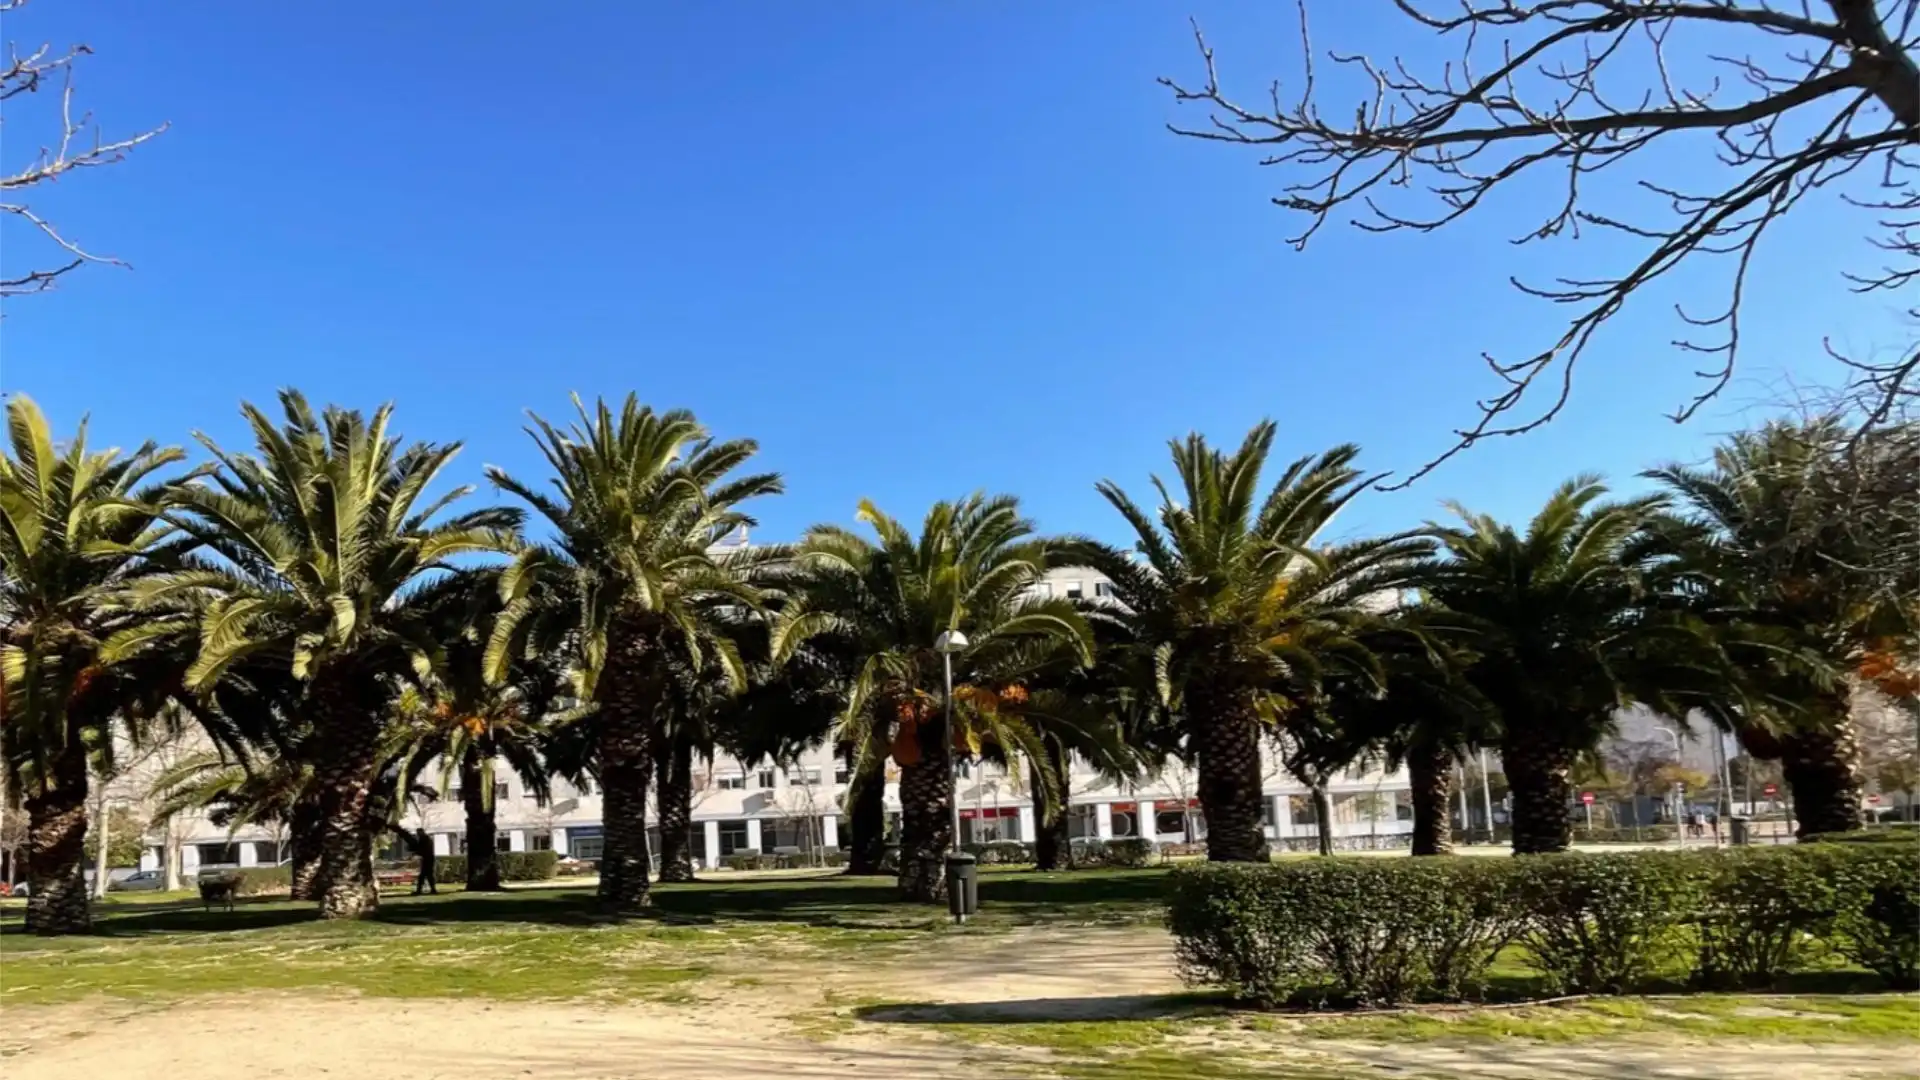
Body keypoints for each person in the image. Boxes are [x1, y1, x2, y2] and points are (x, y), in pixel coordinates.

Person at [410, 827, 437, 895]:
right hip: (428, 858)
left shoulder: (424, 839)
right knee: (428, 875)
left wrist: (415, 853)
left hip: (428, 859)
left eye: (418, 833)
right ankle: (432, 889)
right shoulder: (426, 838)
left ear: (421, 832)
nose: (417, 834)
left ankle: (420, 890)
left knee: (423, 876)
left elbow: (423, 849)